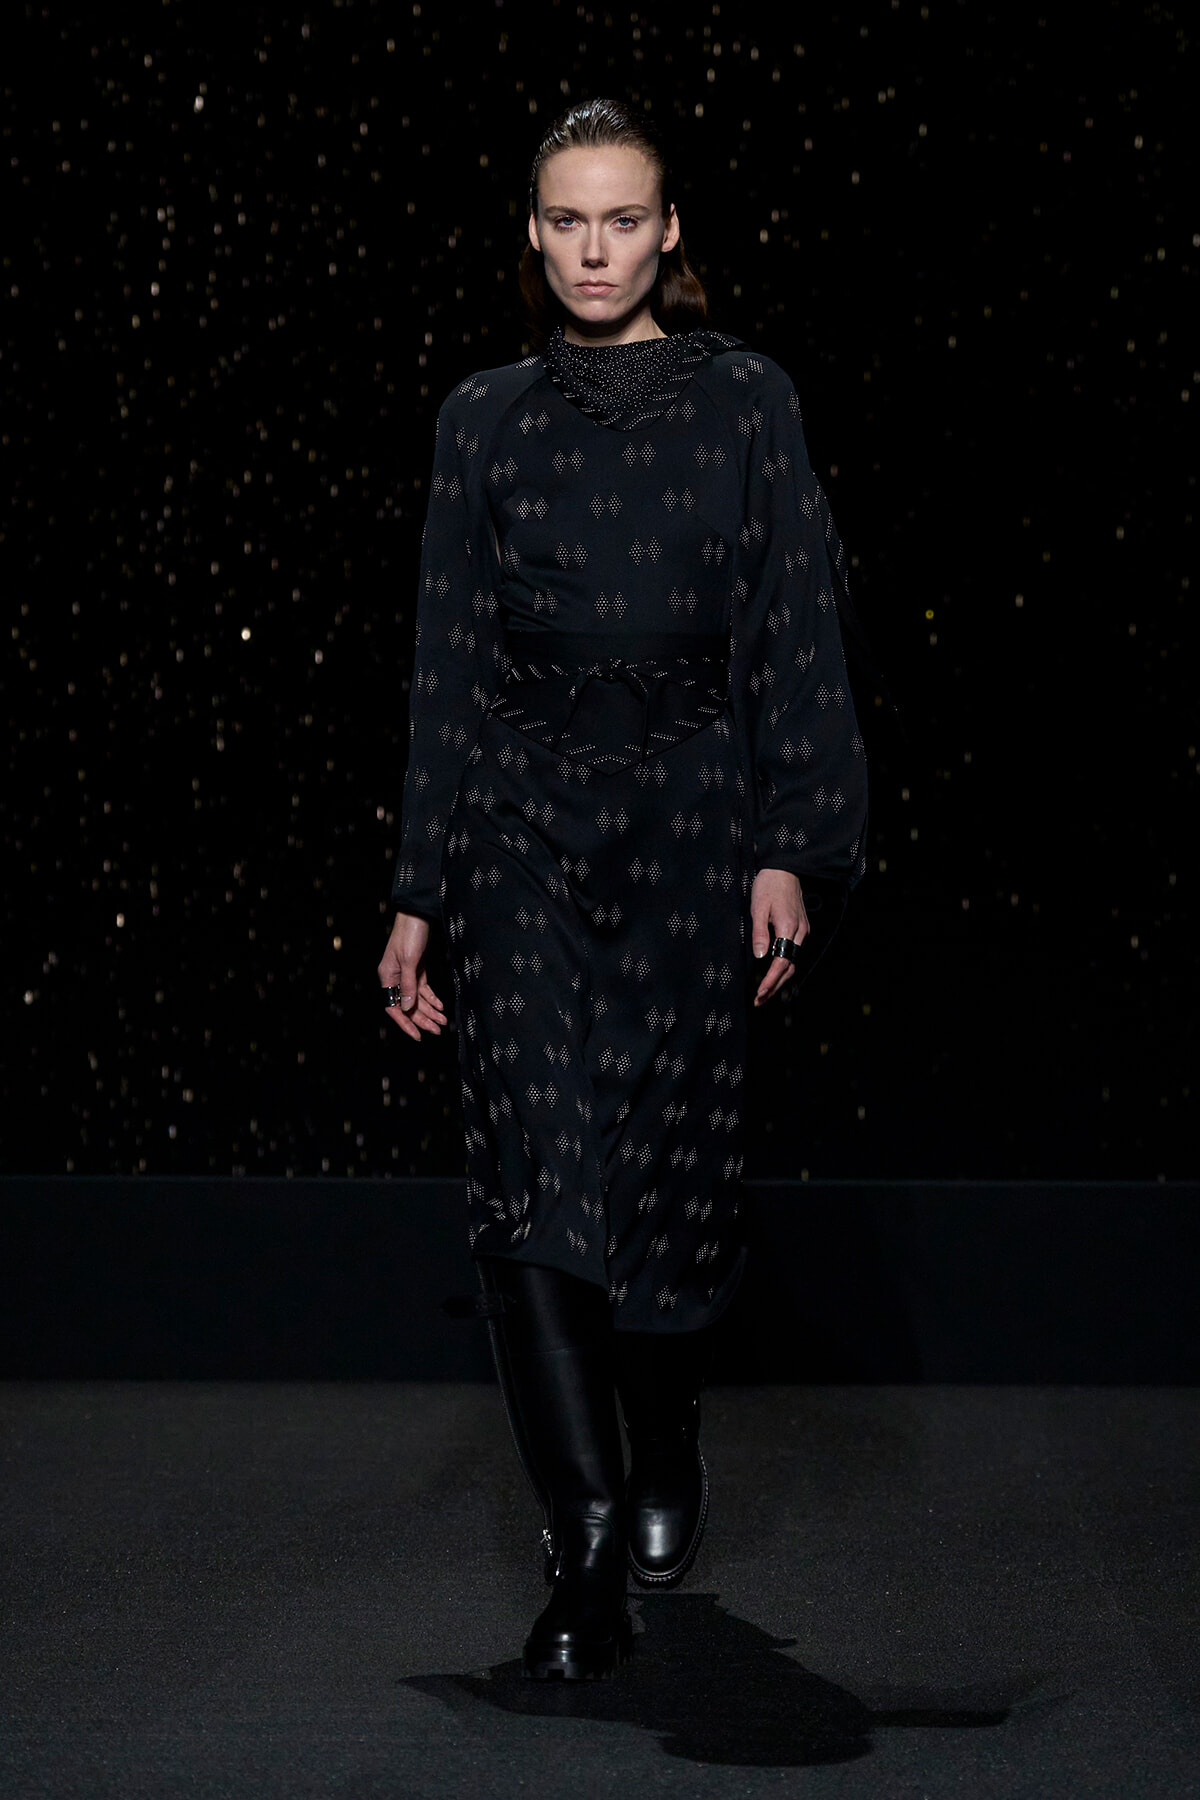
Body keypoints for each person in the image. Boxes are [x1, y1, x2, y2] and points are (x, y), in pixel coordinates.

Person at [377, 97, 868, 1680]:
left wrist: (792, 842)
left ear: (669, 235)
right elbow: (447, 655)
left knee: (669, 1176)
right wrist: (417, 888)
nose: (596, 250)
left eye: (624, 221)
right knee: (531, 1168)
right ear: (535, 236)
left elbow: (795, 622)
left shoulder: (746, 405)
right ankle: (582, 1538)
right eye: (568, 222)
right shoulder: (483, 418)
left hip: (691, 819)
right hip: (517, 824)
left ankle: (664, 1437)